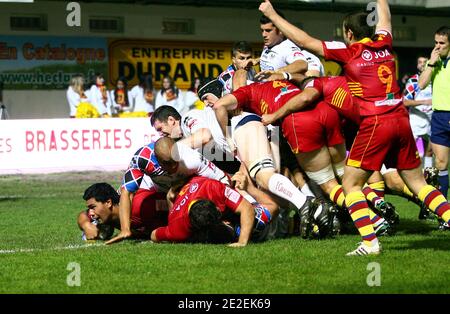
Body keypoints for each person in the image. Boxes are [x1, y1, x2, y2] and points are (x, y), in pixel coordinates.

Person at [259, 0, 450, 255]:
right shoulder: (384, 42)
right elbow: (386, 18)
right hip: (401, 119)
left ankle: (370, 244)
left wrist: (272, 13)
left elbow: (304, 41)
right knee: (418, 183)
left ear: (349, 34)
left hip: (375, 123)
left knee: (350, 186)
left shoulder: (349, 53)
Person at [105, 137, 231, 245]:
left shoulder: (192, 159)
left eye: (175, 162)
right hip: (161, 190)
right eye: (167, 164)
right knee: (135, 205)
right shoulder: (142, 159)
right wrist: (125, 229)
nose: (173, 167)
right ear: (157, 159)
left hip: (189, 190)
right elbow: (127, 192)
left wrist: (224, 211)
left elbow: (223, 180)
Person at [150, 176, 272, 246]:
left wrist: (242, 242)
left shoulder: (212, 187)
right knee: (254, 224)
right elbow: (154, 235)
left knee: (266, 213)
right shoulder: (177, 229)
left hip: (220, 181)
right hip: (182, 209)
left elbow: (247, 208)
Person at [419, 26, 450, 199]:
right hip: (439, 117)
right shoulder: (434, 61)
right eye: (436, 42)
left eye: (442, 43)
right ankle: (444, 209)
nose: (438, 46)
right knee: (440, 163)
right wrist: (431, 62)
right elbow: (421, 84)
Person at [78, 181, 168, 241]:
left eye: (93, 207)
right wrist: (86, 225)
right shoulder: (106, 214)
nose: (91, 213)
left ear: (108, 203)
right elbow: (83, 215)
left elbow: (175, 206)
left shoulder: (140, 205)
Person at [403, 56, 434, 168]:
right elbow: (405, 102)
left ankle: (428, 177)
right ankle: (409, 178)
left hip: (431, 120)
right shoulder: (413, 81)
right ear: (417, 65)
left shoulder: (434, 80)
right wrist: (424, 102)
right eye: (420, 62)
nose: (422, 64)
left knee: (429, 151)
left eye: (425, 62)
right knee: (411, 152)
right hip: (415, 120)